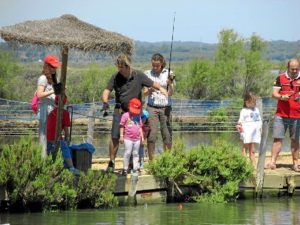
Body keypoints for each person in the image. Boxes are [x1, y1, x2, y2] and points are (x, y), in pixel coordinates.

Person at [102, 54, 168, 172]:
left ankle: (133, 164)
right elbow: (107, 90)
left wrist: (162, 89)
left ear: (127, 66)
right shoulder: (115, 77)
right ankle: (111, 162)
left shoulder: (139, 75)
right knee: (115, 136)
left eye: (121, 67)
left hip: (135, 113)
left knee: (135, 137)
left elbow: (153, 83)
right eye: (118, 67)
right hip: (120, 110)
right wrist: (105, 102)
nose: (119, 70)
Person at [267, 58, 300, 172]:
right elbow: (274, 94)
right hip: (281, 115)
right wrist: (282, 97)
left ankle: (295, 164)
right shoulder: (280, 78)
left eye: (297, 69)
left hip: (297, 116)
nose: (295, 71)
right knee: (277, 139)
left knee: (295, 140)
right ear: (288, 67)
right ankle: (272, 162)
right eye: (292, 69)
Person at [144, 53, 175, 160]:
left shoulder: (169, 73)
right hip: (152, 107)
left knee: (167, 134)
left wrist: (170, 84)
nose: (155, 67)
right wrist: (150, 90)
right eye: (153, 65)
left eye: (157, 65)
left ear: (162, 63)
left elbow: (170, 93)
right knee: (151, 135)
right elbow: (144, 93)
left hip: (166, 107)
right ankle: (152, 161)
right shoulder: (147, 74)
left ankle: (167, 159)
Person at [47, 95, 79, 174]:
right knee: (65, 148)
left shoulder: (51, 112)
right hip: (55, 138)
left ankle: (49, 166)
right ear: (64, 103)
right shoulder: (64, 113)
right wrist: (67, 139)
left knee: (49, 152)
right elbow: (66, 130)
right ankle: (71, 167)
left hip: (47, 138)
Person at [37, 55, 60, 157]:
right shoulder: (43, 78)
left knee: (52, 136)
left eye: (54, 67)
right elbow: (39, 95)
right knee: (44, 136)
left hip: (53, 110)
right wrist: (52, 91)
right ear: (46, 66)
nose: (53, 69)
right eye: (51, 67)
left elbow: (58, 95)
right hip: (44, 110)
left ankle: (51, 159)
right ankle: (42, 161)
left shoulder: (55, 78)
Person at [236, 92, 262, 166]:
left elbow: (259, 120)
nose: (254, 104)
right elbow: (240, 121)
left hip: (254, 133)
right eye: (252, 102)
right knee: (245, 149)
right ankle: (243, 165)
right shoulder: (244, 111)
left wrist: (260, 129)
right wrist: (239, 126)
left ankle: (253, 165)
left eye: (254, 102)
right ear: (246, 102)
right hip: (246, 133)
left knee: (252, 150)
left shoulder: (256, 110)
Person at [119, 98, 144, 175]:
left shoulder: (138, 116)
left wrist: (142, 137)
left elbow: (140, 127)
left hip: (137, 139)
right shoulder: (125, 115)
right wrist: (121, 136)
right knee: (128, 152)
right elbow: (122, 126)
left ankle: (135, 169)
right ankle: (125, 168)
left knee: (136, 153)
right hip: (128, 138)